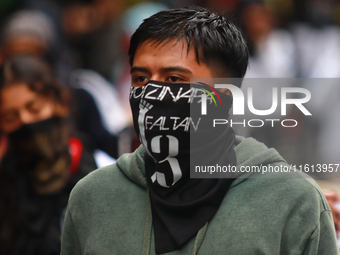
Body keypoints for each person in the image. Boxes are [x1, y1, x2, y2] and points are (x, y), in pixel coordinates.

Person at [61, 6, 339, 254]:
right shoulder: (93, 197)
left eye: (174, 78)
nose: (152, 92)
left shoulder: (292, 202)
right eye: (141, 78)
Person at [0, 55, 113, 255]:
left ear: (59, 103)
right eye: (11, 117)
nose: (25, 121)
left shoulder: (99, 172)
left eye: (34, 109)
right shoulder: (7, 183)